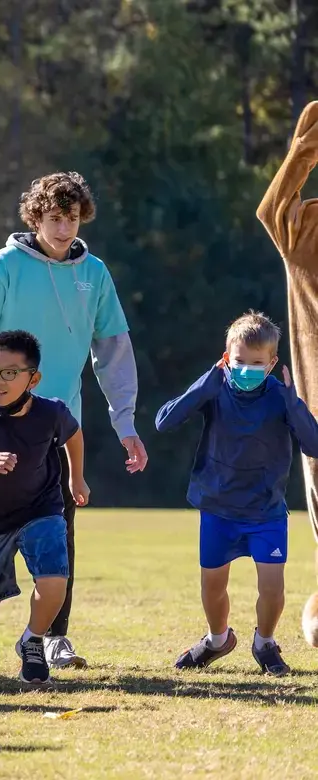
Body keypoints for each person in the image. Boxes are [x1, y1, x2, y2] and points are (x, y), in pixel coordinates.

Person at [0, 172, 145, 669]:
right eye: (53, 218)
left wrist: (126, 423)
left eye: (72, 218)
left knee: (58, 534)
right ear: (35, 219)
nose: (63, 229)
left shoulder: (94, 273)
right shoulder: (2, 266)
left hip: (55, 430)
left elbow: (114, 352)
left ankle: (52, 636)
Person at [156, 312, 318, 676]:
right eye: (240, 361)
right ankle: (217, 639)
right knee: (213, 588)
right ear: (227, 357)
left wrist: (295, 404)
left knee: (273, 588)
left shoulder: (281, 397)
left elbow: (315, 445)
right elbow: (164, 421)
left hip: (266, 511)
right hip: (218, 507)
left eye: (257, 363)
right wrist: (206, 383)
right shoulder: (215, 388)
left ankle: (265, 643)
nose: (247, 369)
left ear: (272, 363)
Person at [0, 330, 88, 690]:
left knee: (55, 579)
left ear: (34, 378)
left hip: (39, 508)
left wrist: (77, 479)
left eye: (10, 373)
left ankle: (32, 640)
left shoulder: (52, 412)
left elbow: (73, 434)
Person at [255, 100, 318, 645]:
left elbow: (271, 207)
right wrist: (305, 149)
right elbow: (272, 208)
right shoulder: (306, 230)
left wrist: (306, 148)